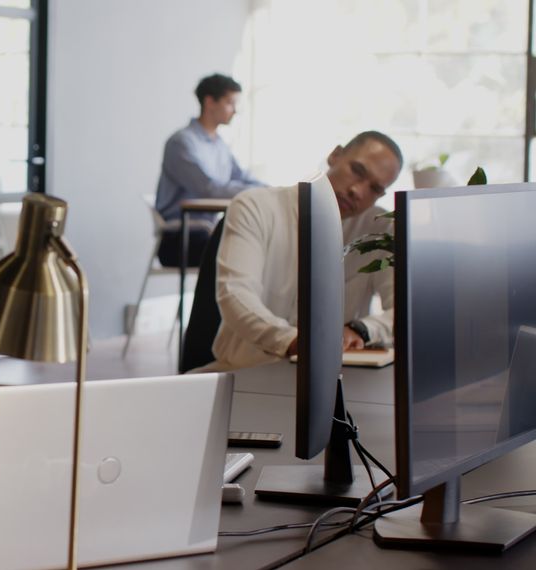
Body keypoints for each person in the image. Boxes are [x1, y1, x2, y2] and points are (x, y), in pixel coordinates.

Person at [206, 131, 403, 372]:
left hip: (336, 376)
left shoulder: (378, 229)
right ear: (335, 155)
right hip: (244, 371)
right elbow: (235, 294)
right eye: (357, 171)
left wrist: (362, 329)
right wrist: (291, 340)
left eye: (374, 188)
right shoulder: (256, 206)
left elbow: (404, 311)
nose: (357, 191)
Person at [154, 73, 262, 267]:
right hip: (181, 237)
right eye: (230, 103)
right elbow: (209, 189)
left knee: (256, 243)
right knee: (241, 250)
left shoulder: (220, 145)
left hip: (208, 232)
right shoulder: (181, 143)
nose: (235, 111)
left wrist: (272, 191)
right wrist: (257, 192)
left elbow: (243, 177)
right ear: (210, 102)